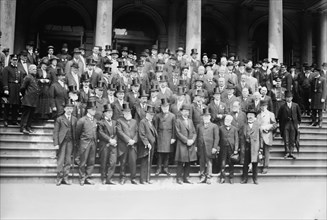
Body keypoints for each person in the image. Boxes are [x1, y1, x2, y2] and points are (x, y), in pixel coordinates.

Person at [53, 100, 77, 186]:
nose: (69, 110)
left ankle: (65, 178)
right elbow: (55, 132)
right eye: (68, 108)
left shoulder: (74, 119)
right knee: (60, 160)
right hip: (62, 142)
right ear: (64, 109)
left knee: (68, 160)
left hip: (70, 142)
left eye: (71, 108)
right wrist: (56, 143)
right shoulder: (59, 119)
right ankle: (59, 178)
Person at [76, 99, 98, 185]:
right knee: (83, 162)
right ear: (88, 110)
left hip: (93, 143)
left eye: (95, 109)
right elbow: (77, 133)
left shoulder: (95, 120)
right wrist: (80, 142)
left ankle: (88, 177)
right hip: (84, 143)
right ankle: (82, 178)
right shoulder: (82, 120)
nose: (94, 111)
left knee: (91, 161)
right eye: (92, 109)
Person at [116, 103, 139, 185]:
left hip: (132, 145)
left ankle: (133, 178)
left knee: (133, 162)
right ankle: (122, 177)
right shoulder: (119, 121)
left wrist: (134, 140)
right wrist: (128, 140)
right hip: (123, 145)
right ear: (123, 113)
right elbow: (119, 132)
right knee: (123, 162)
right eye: (126, 112)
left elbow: (137, 132)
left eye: (129, 112)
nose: (127, 113)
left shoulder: (134, 121)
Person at [174, 104, 197, 184]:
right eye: (184, 111)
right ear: (181, 112)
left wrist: (192, 140)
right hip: (182, 144)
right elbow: (178, 133)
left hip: (190, 144)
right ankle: (179, 178)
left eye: (187, 111)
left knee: (188, 162)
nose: (186, 113)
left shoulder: (190, 121)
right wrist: (186, 140)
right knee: (181, 162)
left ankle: (186, 177)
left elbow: (194, 132)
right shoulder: (178, 120)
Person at [196, 107, 219, 184]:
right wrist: (196, 146)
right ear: (202, 117)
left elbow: (216, 138)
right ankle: (202, 176)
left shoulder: (214, 126)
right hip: (201, 146)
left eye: (207, 116)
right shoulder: (199, 126)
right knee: (201, 161)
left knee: (209, 162)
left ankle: (208, 177)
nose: (206, 118)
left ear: (210, 117)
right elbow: (197, 136)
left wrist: (214, 147)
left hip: (210, 147)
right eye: (204, 116)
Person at [240, 107, 262, 184]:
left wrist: (261, 148)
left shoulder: (258, 125)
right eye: (248, 115)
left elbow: (261, 137)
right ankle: (244, 179)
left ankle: (255, 179)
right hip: (246, 147)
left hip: (255, 147)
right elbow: (241, 137)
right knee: (245, 164)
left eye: (252, 115)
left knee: (255, 163)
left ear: (254, 116)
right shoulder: (244, 126)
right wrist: (241, 148)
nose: (250, 116)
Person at [154, 98, 176, 176]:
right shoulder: (158, 116)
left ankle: (166, 168)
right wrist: (156, 137)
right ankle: (158, 168)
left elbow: (174, 127)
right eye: (163, 107)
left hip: (169, 136)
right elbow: (155, 128)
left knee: (167, 154)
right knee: (160, 154)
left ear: (169, 107)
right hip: (160, 136)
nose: (165, 108)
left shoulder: (172, 116)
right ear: (161, 107)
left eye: (166, 107)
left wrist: (173, 137)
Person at [97, 104, 118, 185]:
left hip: (113, 145)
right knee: (104, 161)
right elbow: (100, 133)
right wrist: (109, 140)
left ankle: (109, 178)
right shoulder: (101, 122)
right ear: (105, 113)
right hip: (105, 145)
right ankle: (103, 178)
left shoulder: (114, 122)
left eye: (111, 112)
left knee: (113, 162)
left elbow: (117, 133)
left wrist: (114, 140)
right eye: (108, 112)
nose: (110, 114)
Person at [277, 91, 301, 159]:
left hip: (293, 124)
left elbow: (299, 116)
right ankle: (287, 152)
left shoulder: (296, 105)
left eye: (290, 97)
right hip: (285, 124)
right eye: (287, 97)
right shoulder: (282, 106)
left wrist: (298, 123)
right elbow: (279, 116)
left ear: (292, 98)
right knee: (286, 138)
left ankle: (291, 152)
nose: (288, 99)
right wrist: (280, 123)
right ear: (285, 98)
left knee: (292, 138)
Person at [256, 100, 277, 174]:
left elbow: (275, 125)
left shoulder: (271, 114)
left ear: (267, 106)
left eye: (264, 106)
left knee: (266, 152)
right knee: (259, 151)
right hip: (259, 136)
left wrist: (268, 128)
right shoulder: (258, 115)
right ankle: (257, 165)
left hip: (267, 135)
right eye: (261, 106)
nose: (263, 107)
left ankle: (265, 167)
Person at [2, 54, 23, 126]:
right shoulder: (7, 68)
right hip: (10, 87)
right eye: (13, 60)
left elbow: (21, 80)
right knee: (7, 105)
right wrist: (6, 88)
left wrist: (20, 90)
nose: (15, 61)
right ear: (11, 60)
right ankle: (5, 120)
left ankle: (14, 120)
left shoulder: (19, 69)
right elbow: (4, 79)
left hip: (17, 88)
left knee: (16, 105)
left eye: (16, 60)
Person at [138, 105, 157, 184]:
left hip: (151, 146)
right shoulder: (143, 122)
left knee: (149, 162)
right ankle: (142, 179)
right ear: (147, 114)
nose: (151, 116)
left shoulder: (151, 122)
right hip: (145, 146)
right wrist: (147, 143)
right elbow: (142, 134)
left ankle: (147, 178)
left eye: (152, 114)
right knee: (144, 163)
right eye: (150, 114)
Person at [218, 115, 239, 184]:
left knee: (231, 163)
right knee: (222, 163)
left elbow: (236, 140)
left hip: (231, 148)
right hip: (223, 147)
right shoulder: (220, 128)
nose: (226, 121)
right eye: (226, 120)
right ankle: (222, 177)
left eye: (228, 120)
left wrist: (236, 149)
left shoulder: (234, 129)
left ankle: (231, 177)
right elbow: (218, 138)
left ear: (231, 121)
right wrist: (218, 147)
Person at [20, 65, 40, 134]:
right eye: (33, 69)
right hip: (28, 99)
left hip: (33, 100)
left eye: (36, 69)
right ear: (30, 70)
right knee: (26, 114)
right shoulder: (28, 77)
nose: (35, 70)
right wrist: (25, 96)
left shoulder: (34, 78)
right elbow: (23, 88)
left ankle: (28, 127)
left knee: (31, 114)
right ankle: (23, 128)